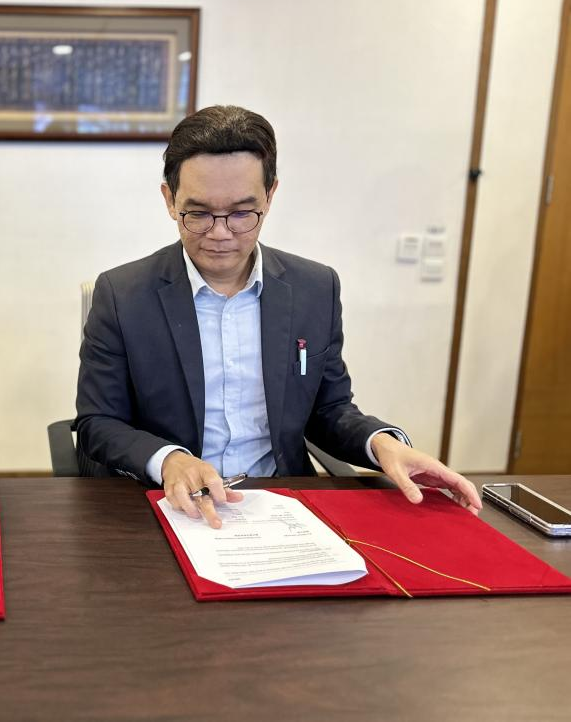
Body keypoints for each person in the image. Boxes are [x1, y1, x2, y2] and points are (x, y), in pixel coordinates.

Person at [75, 105, 480, 528]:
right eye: (198, 213)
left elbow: (329, 409)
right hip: (170, 505)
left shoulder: (314, 289)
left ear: (270, 196)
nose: (220, 233)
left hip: (281, 503)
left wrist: (382, 444)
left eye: (241, 213)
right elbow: (97, 423)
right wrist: (169, 460)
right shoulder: (123, 294)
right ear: (169, 199)